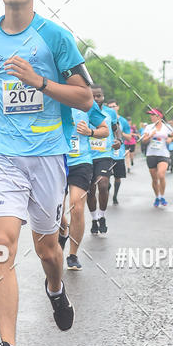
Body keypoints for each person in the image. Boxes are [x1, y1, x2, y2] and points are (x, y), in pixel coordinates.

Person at [0, 0, 93, 346]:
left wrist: (38, 81)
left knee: (47, 250)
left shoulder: (56, 37)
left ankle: (56, 290)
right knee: (2, 242)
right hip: (3, 152)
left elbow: (85, 99)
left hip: (47, 155)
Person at [59, 104, 108, 269]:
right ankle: (64, 230)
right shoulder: (52, 94)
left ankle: (72, 255)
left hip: (81, 161)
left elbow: (105, 130)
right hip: (55, 159)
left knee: (77, 206)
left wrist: (90, 132)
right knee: (55, 210)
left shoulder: (86, 102)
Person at [87, 86, 120, 234]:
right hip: (86, 155)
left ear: (103, 97)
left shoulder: (110, 112)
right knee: (90, 190)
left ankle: (102, 216)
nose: (95, 99)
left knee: (103, 184)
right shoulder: (82, 110)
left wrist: (118, 139)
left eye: (98, 96)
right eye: (92, 96)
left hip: (104, 154)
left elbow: (115, 128)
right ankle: (94, 219)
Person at [141, 109, 173, 205]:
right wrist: (150, 135)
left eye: (153, 115)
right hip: (151, 154)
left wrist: (170, 139)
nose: (151, 117)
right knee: (155, 179)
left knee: (161, 175)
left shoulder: (167, 127)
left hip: (163, 154)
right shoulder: (149, 127)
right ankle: (157, 197)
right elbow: (144, 141)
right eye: (150, 115)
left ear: (159, 116)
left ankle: (163, 196)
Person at [106, 99, 131, 204]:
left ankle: (115, 196)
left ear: (118, 107)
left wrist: (119, 132)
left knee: (118, 177)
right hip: (107, 152)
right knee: (105, 178)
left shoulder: (123, 121)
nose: (112, 108)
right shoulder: (104, 117)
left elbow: (129, 137)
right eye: (110, 107)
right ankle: (107, 190)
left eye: (114, 106)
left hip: (119, 154)